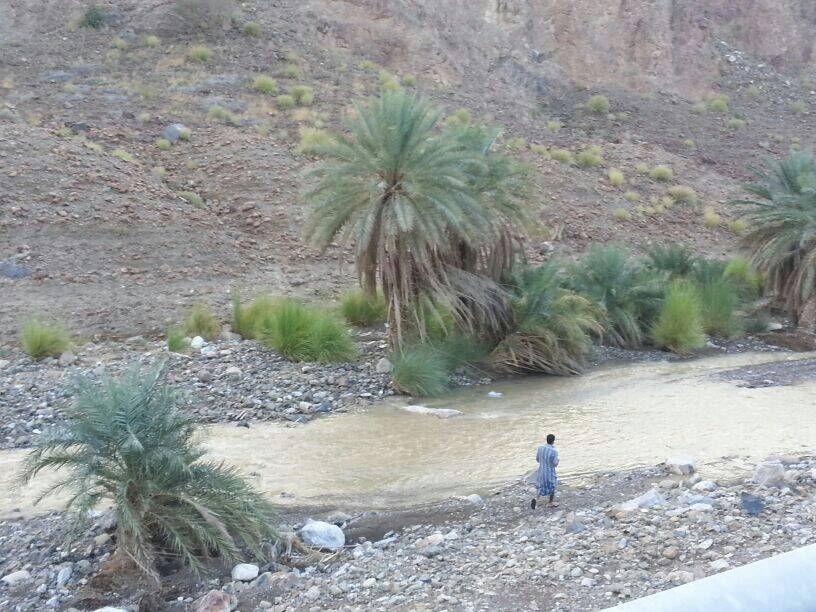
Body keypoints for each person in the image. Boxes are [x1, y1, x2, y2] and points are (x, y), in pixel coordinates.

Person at [531, 434, 559, 509]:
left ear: (546, 440)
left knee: (541, 486)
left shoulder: (540, 448)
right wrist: (558, 461)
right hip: (549, 472)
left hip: (541, 471)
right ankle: (550, 502)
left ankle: (536, 499)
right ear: (553, 441)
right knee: (553, 485)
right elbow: (555, 464)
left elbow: (537, 459)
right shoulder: (554, 451)